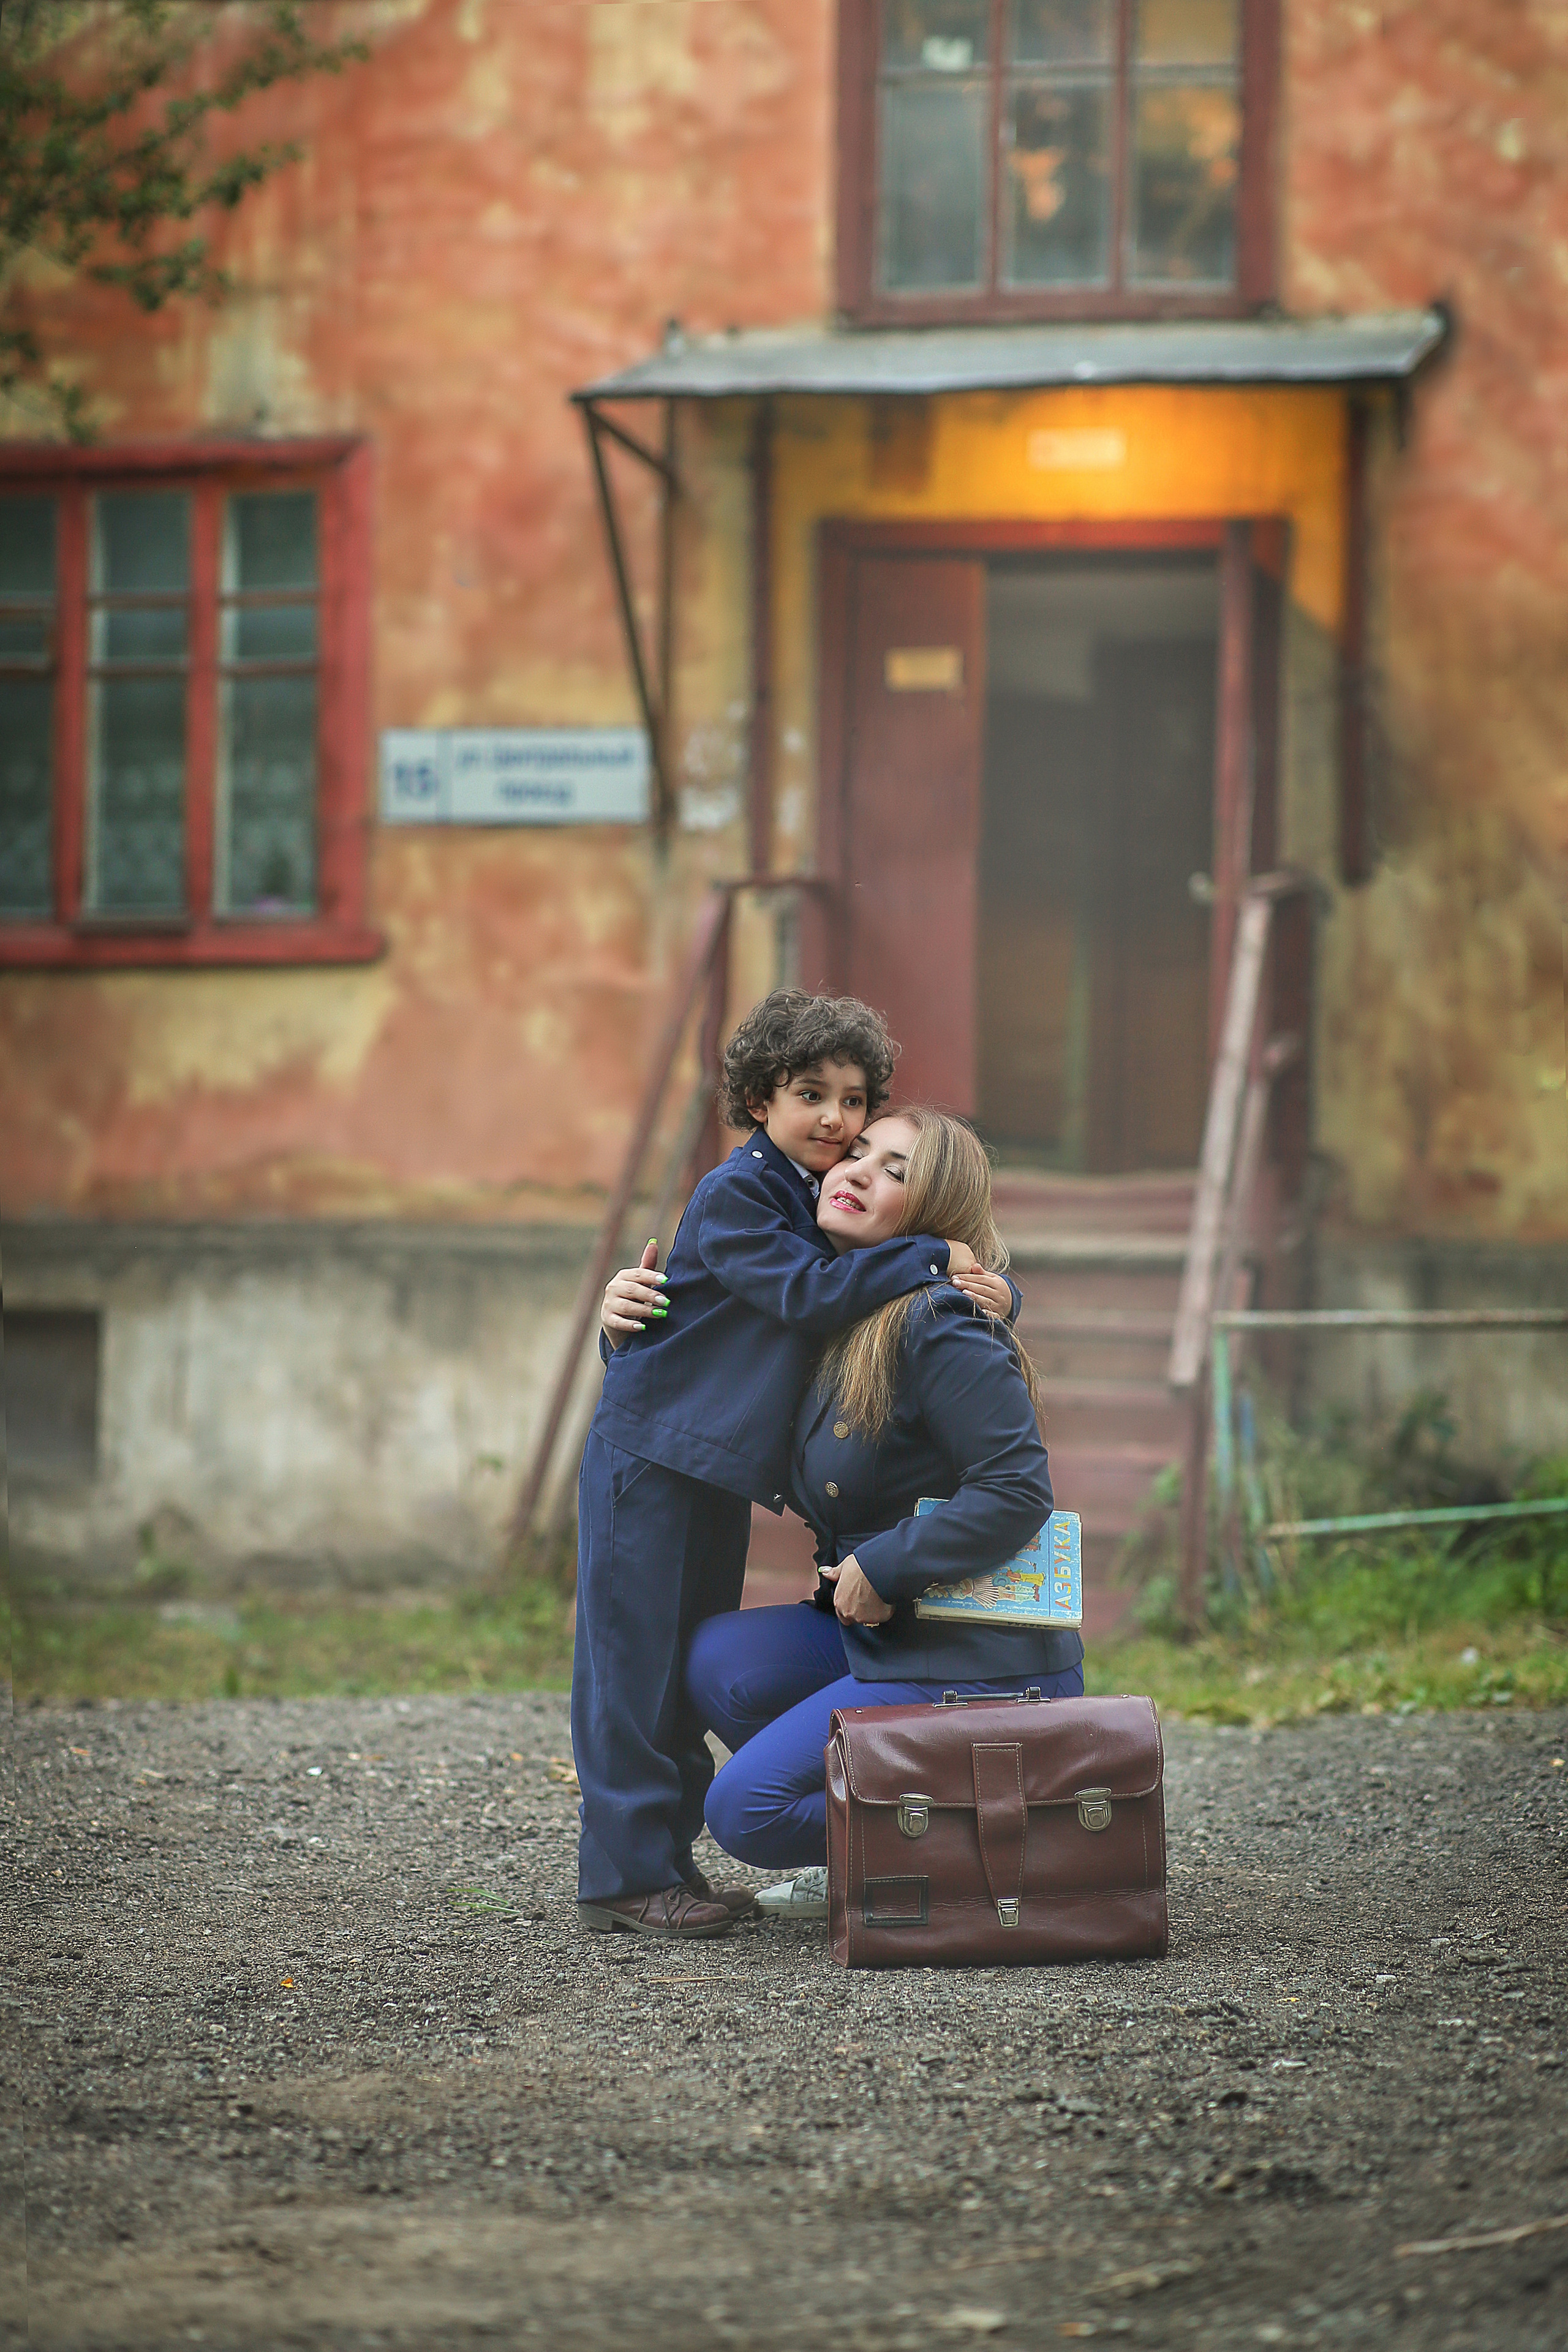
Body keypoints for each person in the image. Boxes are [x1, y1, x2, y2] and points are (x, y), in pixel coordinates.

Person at [574, 992, 1018, 1941]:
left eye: (855, 1101)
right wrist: (938, 1261)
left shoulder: (818, 1200)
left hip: (707, 1466)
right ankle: (620, 1876)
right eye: (810, 1094)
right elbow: (813, 1292)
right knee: (627, 1672)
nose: (837, 1121)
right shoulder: (741, 1192)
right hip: (648, 1457)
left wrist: (993, 1283)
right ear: (759, 1100)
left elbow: (884, 1256)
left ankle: (665, 1863)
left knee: (680, 1672)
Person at [687, 1106, 1085, 1914]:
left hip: (977, 1658)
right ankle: (878, 1839)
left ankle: (987, 1850)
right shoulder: (839, 1312)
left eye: (897, 1170)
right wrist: (620, 1327)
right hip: (887, 1633)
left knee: (746, 1813)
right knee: (720, 1659)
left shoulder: (939, 1325)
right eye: (857, 1154)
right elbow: (700, 1356)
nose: (858, 1171)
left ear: (935, 1217)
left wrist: (883, 1563)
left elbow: (1017, 1491)